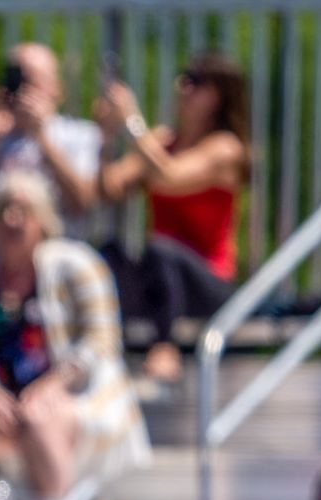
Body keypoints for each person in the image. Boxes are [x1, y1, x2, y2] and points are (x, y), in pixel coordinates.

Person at [0, 170, 150, 500]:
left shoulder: (76, 264)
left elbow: (101, 342)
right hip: (4, 408)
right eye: (2, 211)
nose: (11, 220)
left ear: (41, 218)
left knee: (42, 416)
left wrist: (50, 386)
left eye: (21, 210)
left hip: (78, 397)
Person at [94, 53, 252, 386]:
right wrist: (106, 137)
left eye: (194, 80)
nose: (182, 86)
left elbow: (170, 175)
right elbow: (109, 188)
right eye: (184, 77)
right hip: (162, 279)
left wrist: (132, 121)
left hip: (210, 283)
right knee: (110, 254)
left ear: (217, 95)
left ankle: (165, 348)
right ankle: (105, 349)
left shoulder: (226, 148)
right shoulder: (164, 140)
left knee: (162, 250)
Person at [0, 42, 103, 255]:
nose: (21, 90)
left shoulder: (80, 135)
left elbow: (84, 201)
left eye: (30, 80)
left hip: (57, 264)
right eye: (15, 78)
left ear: (57, 88)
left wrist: (41, 138)